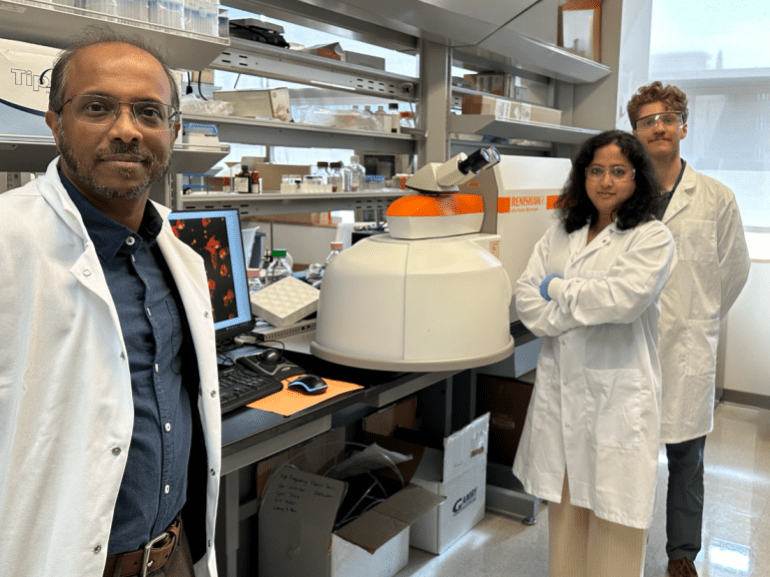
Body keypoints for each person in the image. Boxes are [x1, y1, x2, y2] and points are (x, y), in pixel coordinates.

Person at [0, 28, 221, 577]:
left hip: (174, 555)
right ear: (55, 123)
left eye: (149, 113)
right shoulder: (7, 241)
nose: (127, 131)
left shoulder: (176, 254)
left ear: (173, 130)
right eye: (98, 108)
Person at [513, 130, 677, 577]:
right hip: (563, 395)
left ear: (637, 178)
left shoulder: (652, 237)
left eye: (618, 172)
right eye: (596, 170)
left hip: (617, 397)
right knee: (566, 523)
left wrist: (559, 290)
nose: (606, 181)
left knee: (615, 526)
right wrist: (570, 308)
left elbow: (622, 301)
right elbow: (527, 298)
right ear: (583, 176)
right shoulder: (560, 233)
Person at [627, 82, 750, 577]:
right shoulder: (623, 193)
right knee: (629, 455)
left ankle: (681, 556)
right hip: (630, 343)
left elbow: (735, 269)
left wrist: (697, 318)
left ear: (683, 127)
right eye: (646, 120)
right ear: (635, 133)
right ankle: (623, 545)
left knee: (686, 461)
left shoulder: (716, 198)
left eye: (667, 117)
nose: (658, 126)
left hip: (687, 347)